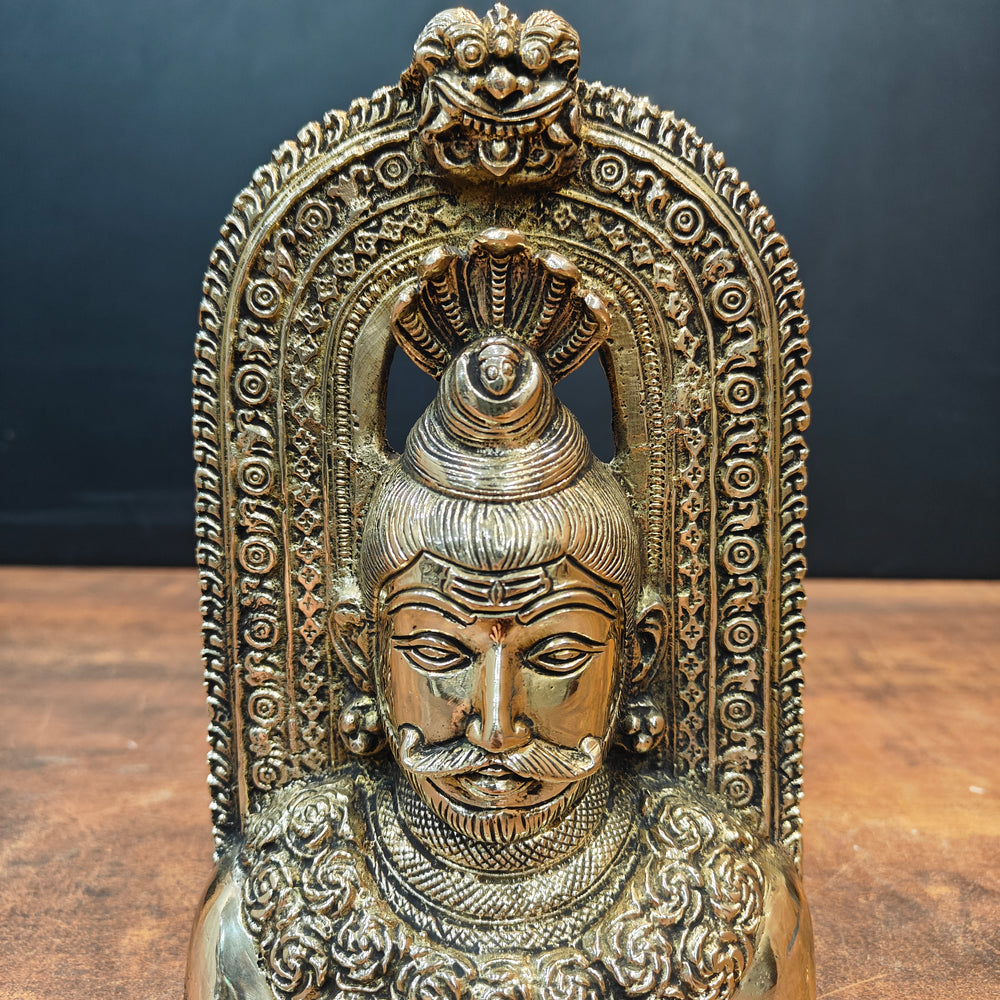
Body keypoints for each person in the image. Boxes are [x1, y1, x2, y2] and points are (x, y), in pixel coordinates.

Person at [186, 232, 813, 1000]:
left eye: (555, 657)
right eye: (440, 652)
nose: (494, 726)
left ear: (639, 651)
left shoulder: (723, 904)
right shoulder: (277, 903)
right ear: (359, 648)